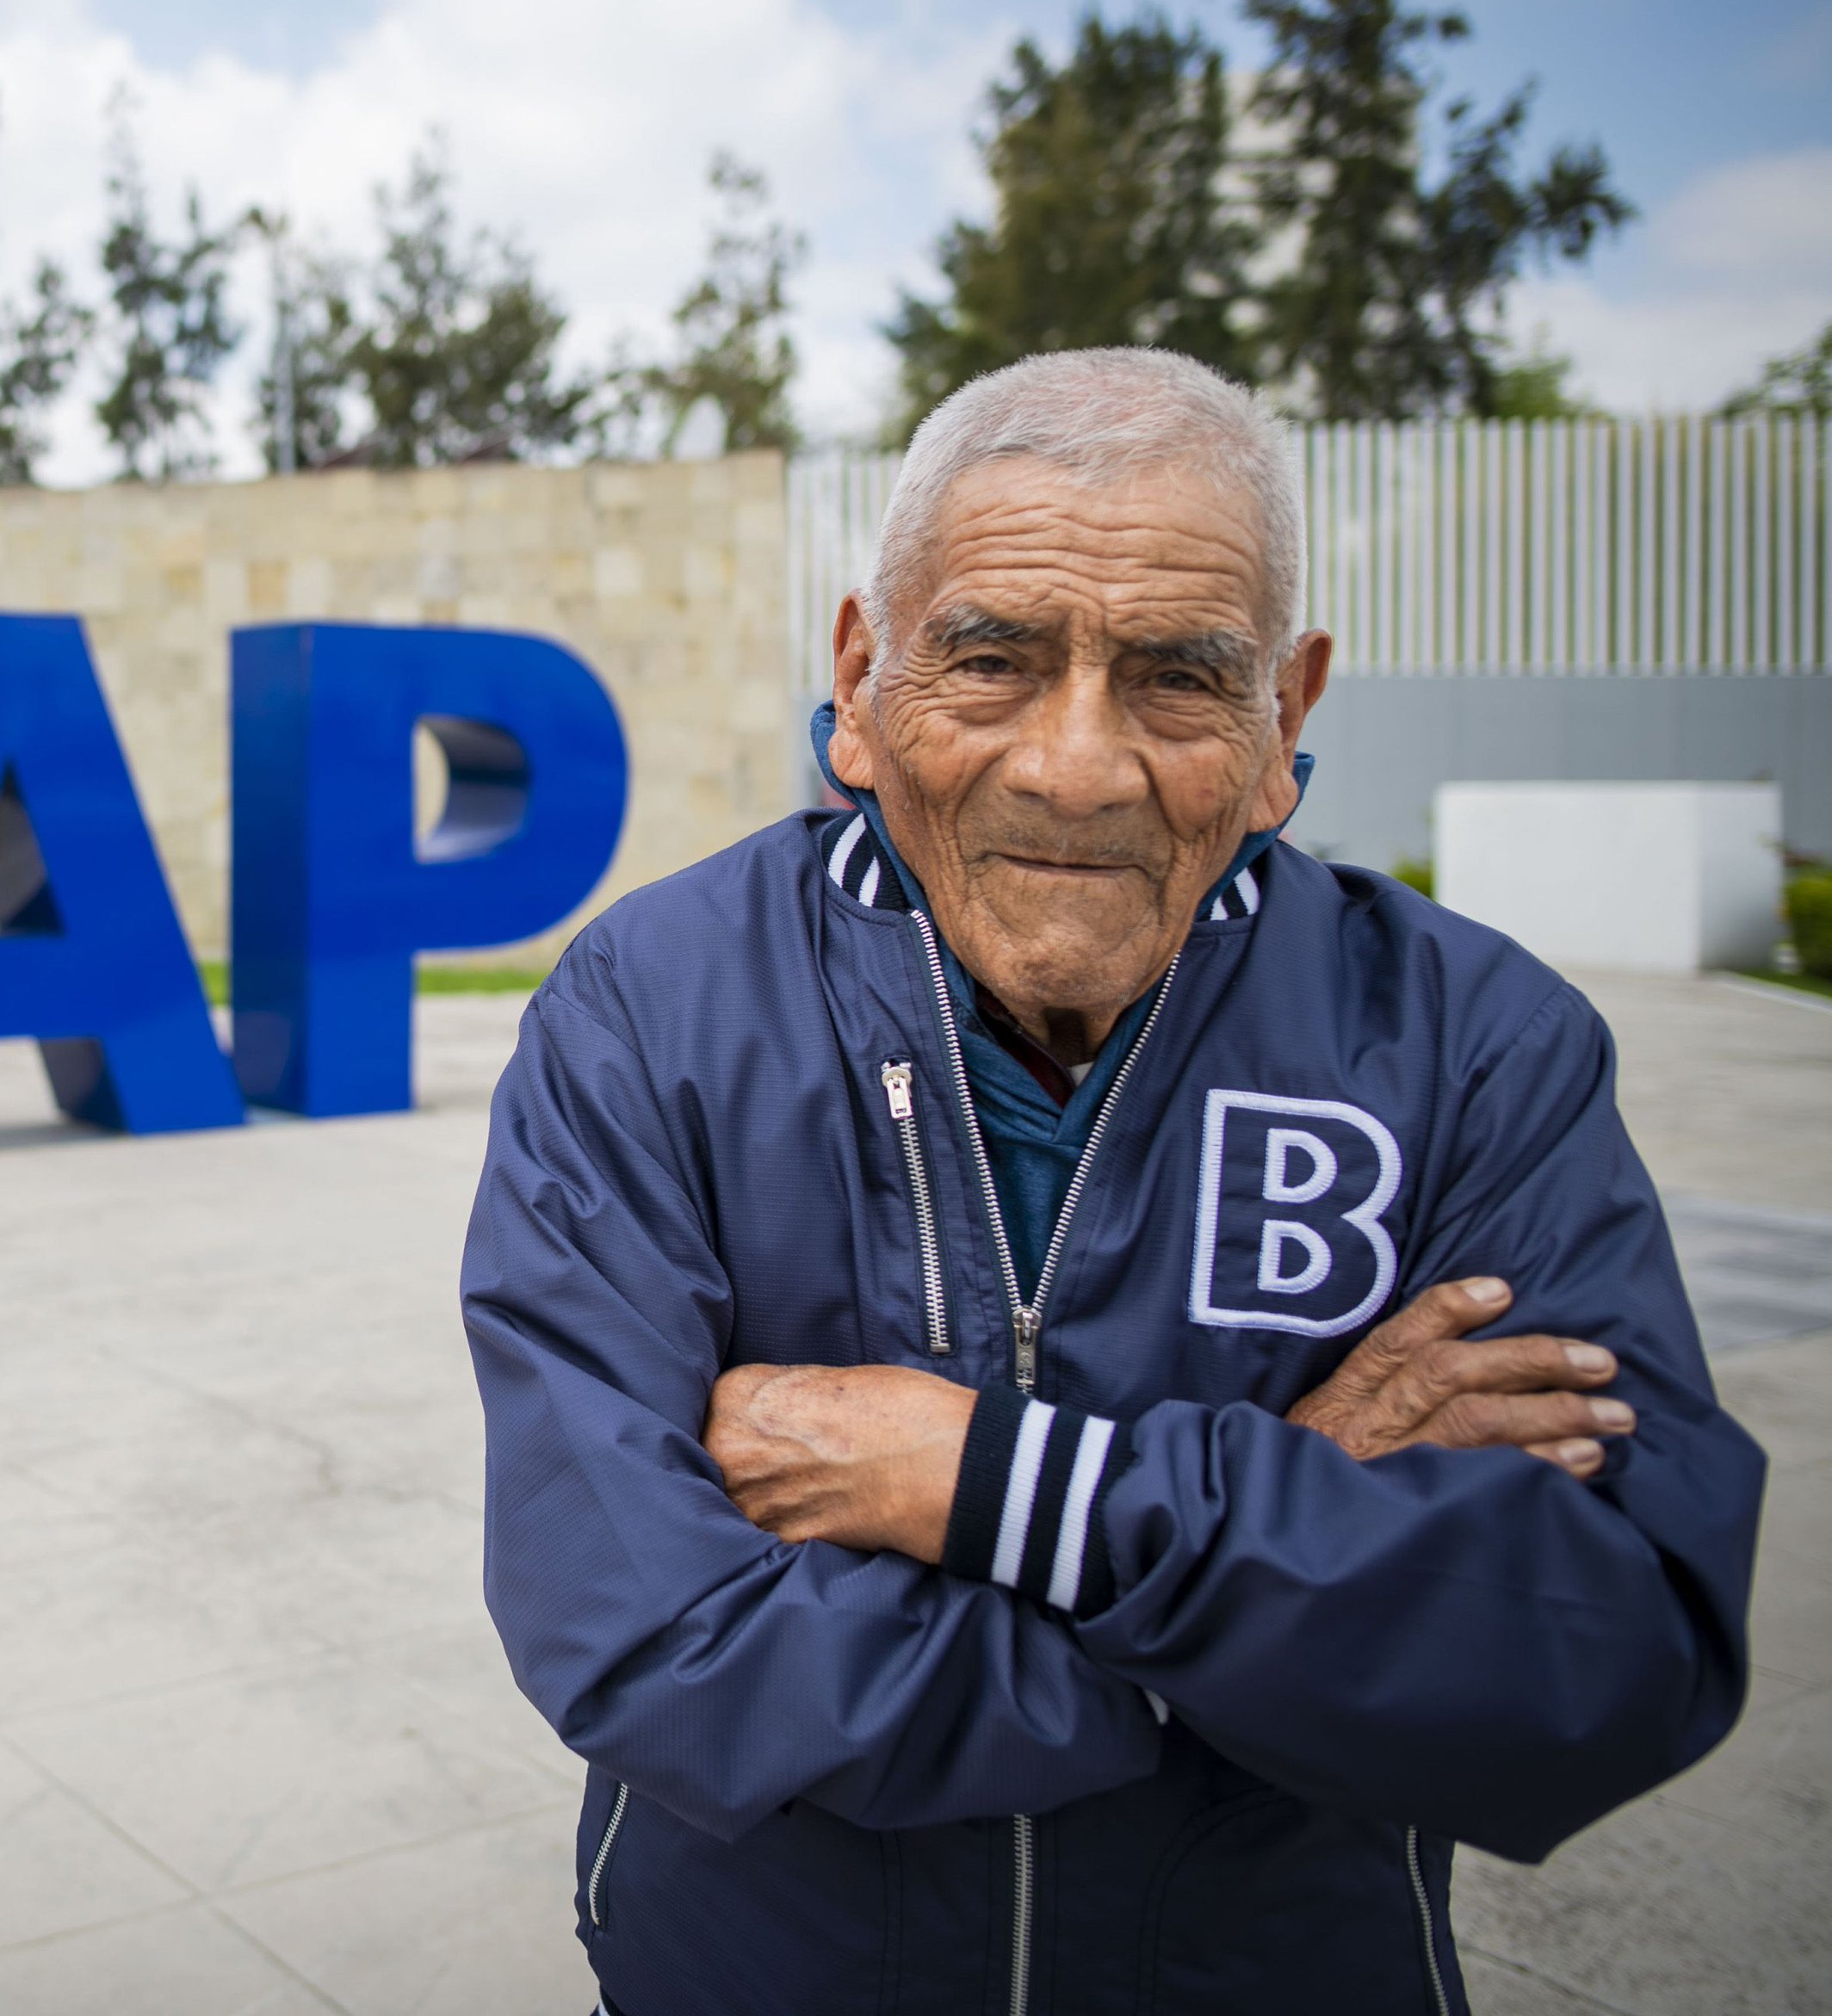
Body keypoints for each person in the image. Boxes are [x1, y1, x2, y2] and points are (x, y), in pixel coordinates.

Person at [461, 348, 1762, 2015]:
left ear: (1285, 715)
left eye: (1172, 677)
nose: (1072, 767)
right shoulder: (650, 1013)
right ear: (860, 679)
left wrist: (995, 1487)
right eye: (990, 659)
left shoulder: (1471, 1048)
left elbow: (1607, 1649)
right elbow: (654, 1647)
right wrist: (1281, 1519)